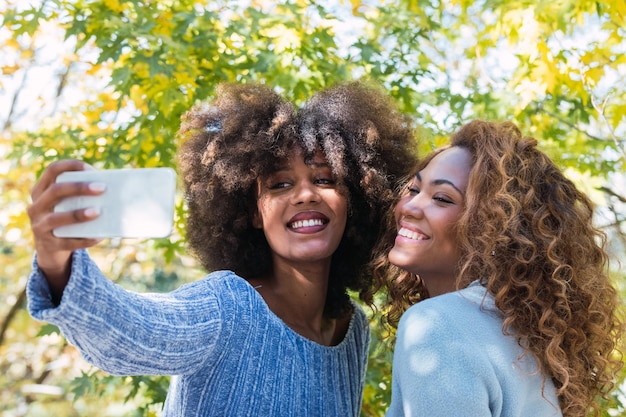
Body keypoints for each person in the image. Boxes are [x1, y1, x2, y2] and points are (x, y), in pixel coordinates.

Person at [26, 81, 418, 416]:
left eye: (324, 179)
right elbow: (127, 333)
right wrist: (56, 260)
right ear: (251, 213)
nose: (305, 195)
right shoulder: (227, 307)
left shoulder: (351, 328)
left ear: (357, 200)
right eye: (280, 184)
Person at [369, 120, 623, 417]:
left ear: (492, 228)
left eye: (442, 198)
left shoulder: (436, 326)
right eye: (413, 189)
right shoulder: (524, 338)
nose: (410, 207)